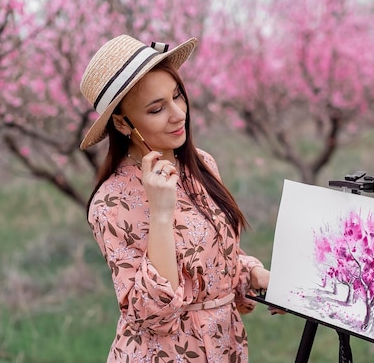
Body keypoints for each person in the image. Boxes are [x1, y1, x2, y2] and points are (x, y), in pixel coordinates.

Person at [79, 34, 273, 362]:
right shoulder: (111, 203)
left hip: (225, 347)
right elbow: (153, 313)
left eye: (177, 96)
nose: (178, 114)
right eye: (157, 109)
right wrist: (161, 212)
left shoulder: (201, 164)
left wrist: (253, 273)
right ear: (123, 123)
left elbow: (212, 257)